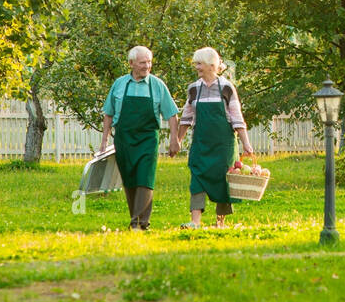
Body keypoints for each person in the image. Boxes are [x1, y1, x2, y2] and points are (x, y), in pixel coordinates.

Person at [171, 47, 254, 229]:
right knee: (197, 179)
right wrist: (177, 140)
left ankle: (220, 222)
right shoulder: (193, 89)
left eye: (199, 63)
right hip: (202, 144)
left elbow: (237, 117)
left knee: (223, 181)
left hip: (223, 145)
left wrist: (246, 143)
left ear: (211, 65)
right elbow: (186, 118)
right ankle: (195, 222)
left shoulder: (226, 87)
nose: (196, 67)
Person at [99, 45, 180, 230]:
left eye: (149, 62)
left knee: (145, 177)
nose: (147, 66)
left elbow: (171, 114)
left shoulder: (158, 85)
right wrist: (104, 141)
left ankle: (140, 222)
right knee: (130, 179)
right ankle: (136, 220)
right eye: (143, 62)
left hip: (148, 139)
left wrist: (175, 139)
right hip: (124, 138)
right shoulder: (119, 84)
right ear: (131, 63)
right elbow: (108, 114)